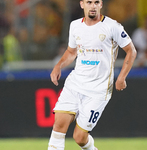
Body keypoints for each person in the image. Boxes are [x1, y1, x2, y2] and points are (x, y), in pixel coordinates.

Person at [48, 0, 137, 150]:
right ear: (82, 4)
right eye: (89, 2)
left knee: (79, 138)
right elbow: (71, 51)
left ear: (101, 5)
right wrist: (58, 66)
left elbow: (131, 51)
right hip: (75, 84)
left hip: (98, 90)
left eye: (97, 2)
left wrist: (122, 77)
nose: (93, 6)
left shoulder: (112, 26)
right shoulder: (75, 26)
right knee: (58, 126)